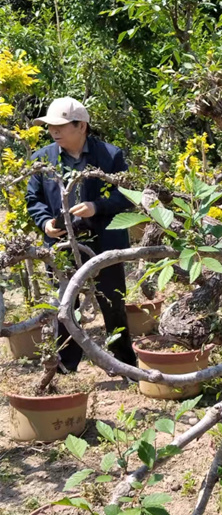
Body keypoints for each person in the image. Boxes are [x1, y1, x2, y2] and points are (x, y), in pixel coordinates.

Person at [25, 96, 138, 372]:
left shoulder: (111, 156)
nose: (54, 131)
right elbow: (33, 199)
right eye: (51, 126)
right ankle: (66, 367)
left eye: (61, 126)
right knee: (65, 305)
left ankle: (124, 365)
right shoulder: (42, 160)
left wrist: (96, 206)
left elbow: (126, 196)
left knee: (112, 302)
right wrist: (45, 223)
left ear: (82, 126)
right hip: (62, 243)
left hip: (104, 243)